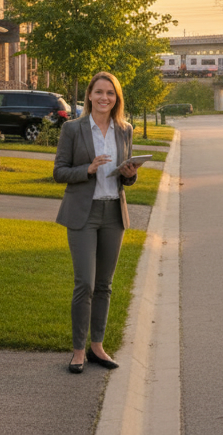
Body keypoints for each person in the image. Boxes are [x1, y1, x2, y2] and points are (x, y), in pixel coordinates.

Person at [54, 71, 139, 374]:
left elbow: (126, 175)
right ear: (89, 95)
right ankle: (78, 350)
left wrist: (130, 175)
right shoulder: (73, 129)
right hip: (83, 214)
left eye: (111, 93)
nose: (105, 98)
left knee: (104, 285)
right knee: (85, 284)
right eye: (99, 92)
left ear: (117, 98)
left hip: (113, 213)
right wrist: (87, 170)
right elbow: (59, 172)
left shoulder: (124, 129)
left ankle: (97, 347)